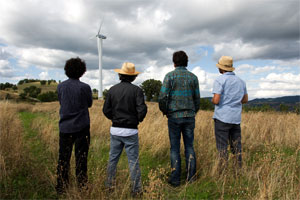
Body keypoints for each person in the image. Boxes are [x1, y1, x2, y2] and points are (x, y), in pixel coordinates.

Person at [103, 62, 147, 196]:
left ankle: (109, 186)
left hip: (115, 129)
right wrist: (137, 120)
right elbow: (142, 110)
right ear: (133, 77)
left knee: (113, 159)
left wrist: (114, 119)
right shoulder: (137, 90)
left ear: (120, 74)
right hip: (131, 130)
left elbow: (106, 110)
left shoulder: (112, 90)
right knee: (133, 160)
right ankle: (136, 190)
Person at [158, 51, 200, 187]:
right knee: (189, 146)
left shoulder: (169, 76)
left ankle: (175, 179)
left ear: (174, 62)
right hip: (189, 116)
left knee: (174, 148)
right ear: (186, 62)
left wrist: (165, 111)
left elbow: (163, 97)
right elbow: (197, 98)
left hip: (174, 117)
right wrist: (193, 111)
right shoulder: (193, 77)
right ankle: (191, 178)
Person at [56, 57, 93, 195]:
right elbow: (89, 104)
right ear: (82, 71)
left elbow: (61, 102)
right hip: (82, 127)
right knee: (81, 158)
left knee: (63, 158)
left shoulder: (60, 87)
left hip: (65, 127)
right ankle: (82, 186)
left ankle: (61, 187)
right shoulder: (85, 87)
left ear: (67, 70)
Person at [211, 56, 248, 172]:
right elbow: (245, 99)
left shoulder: (219, 80)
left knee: (222, 147)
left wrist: (212, 101)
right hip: (236, 118)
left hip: (222, 118)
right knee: (236, 147)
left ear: (221, 68)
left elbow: (216, 100)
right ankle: (238, 170)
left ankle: (223, 173)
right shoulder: (241, 81)